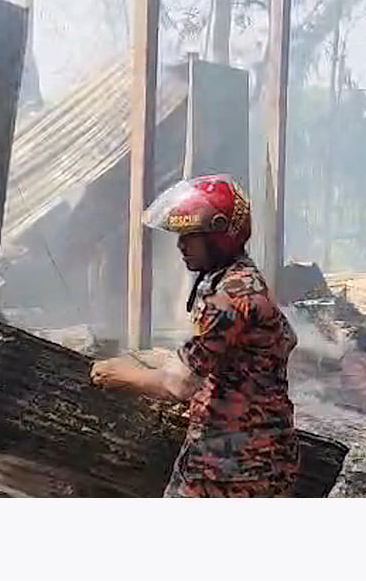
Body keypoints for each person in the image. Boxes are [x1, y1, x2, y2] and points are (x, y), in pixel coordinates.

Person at [89, 175, 300, 497]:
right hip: (256, 457)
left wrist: (116, 375)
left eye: (191, 236)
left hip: (233, 466)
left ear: (219, 236)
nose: (180, 245)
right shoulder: (240, 278)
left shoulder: (229, 295)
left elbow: (178, 384)